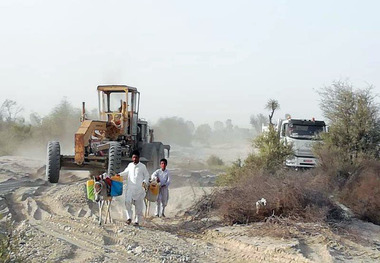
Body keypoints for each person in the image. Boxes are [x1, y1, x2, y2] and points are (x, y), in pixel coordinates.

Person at [119, 150, 149, 226]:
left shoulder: (142, 166)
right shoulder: (130, 165)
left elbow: (146, 176)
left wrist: (145, 182)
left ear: (139, 158)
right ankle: (129, 218)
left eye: (136, 157)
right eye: (133, 157)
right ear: (132, 158)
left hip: (139, 190)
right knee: (127, 202)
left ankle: (137, 221)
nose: (134, 159)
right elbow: (125, 173)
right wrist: (118, 175)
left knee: (139, 207)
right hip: (130, 189)